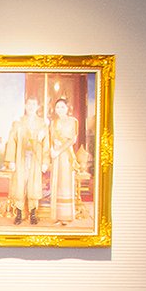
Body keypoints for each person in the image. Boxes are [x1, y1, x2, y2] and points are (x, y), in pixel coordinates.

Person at [3, 95, 48, 227]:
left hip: (35, 159)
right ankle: (19, 213)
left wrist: (45, 162)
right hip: (21, 158)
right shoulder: (18, 123)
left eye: (34, 104)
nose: (31, 107)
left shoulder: (42, 124)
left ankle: (33, 214)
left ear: (37, 107)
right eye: (29, 104)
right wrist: (11, 160)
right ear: (25, 106)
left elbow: (46, 143)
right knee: (19, 184)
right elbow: (12, 141)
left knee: (33, 185)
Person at [49, 96, 82, 225]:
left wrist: (59, 150)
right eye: (58, 107)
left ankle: (66, 217)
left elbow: (72, 140)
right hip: (56, 156)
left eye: (62, 107)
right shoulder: (53, 123)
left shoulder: (72, 121)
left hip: (66, 155)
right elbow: (51, 138)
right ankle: (57, 215)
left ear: (67, 108)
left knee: (65, 183)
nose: (60, 109)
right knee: (56, 182)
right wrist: (53, 150)